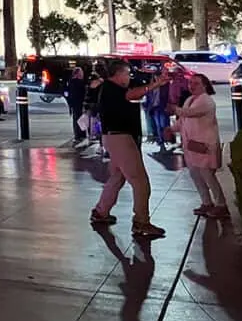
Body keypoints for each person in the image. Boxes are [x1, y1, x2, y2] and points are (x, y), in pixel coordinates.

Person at [91, 60, 170, 238]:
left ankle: (101, 212)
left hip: (115, 137)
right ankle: (141, 222)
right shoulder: (111, 88)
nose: (129, 77)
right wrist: (155, 84)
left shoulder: (110, 88)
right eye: (126, 73)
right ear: (118, 74)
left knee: (118, 177)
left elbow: (132, 92)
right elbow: (131, 95)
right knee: (140, 181)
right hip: (120, 137)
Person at [168, 73, 228, 219]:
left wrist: (175, 109)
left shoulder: (206, 101)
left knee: (208, 175)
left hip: (205, 144)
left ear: (205, 85)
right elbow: (183, 119)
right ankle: (206, 202)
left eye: (196, 83)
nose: (192, 86)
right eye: (191, 83)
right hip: (191, 145)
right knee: (195, 175)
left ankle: (221, 205)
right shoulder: (189, 99)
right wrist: (171, 129)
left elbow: (190, 113)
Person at [67, 67, 87, 145]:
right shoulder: (78, 82)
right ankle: (80, 135)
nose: (82, 74)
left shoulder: (71, 82)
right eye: (81, 73)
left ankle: (79, 135)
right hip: (78, 103)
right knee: (79, 119)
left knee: (77, 119)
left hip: (75, 103)